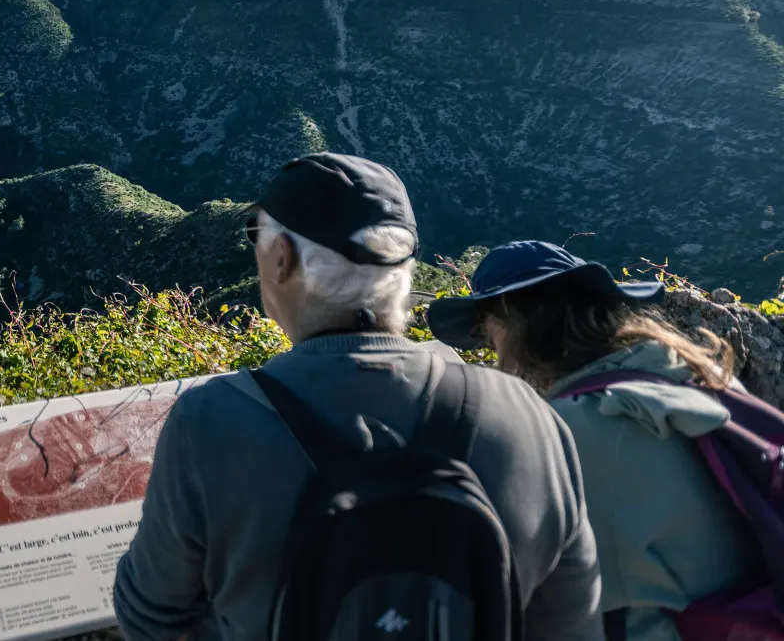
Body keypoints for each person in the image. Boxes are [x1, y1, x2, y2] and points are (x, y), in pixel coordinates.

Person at [113, 152, 603, 641]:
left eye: (254, 239)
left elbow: (149, 615)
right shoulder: (526, 414)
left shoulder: (211, 421)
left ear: (281, 257)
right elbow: (573, 620)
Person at [426, 240, 763, 641]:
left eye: (486, 326)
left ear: (513, 322)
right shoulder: (694, 377)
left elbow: (512, 582)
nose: (489, 344)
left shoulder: (571, 429)